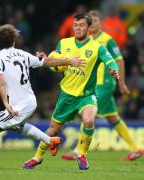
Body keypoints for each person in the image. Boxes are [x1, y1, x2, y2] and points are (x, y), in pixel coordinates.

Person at [0, 24, 84, 170]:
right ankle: (50, 141)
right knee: (18, 127)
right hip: (29, 101)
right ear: (14, 40)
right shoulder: (23, 54)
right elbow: (47, 62)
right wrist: (70, 61)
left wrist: (5, 103)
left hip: (19, 105)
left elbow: (0, 80)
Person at [23, 13, 119, 170]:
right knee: (53, 129)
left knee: (88, 120)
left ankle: (81, 155)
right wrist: (45, 59)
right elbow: (55, 64)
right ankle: (37, 157)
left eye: (81, 25)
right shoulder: (64, 43)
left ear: (88, 27)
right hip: (67, 95)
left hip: (87, 95)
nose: (78, 28)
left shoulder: (97, 48)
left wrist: (113, 70)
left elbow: (111, 61)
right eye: (76, 25)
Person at [61, 10, 143, 161]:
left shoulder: (108, 40)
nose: (93, 24)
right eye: (90, 21)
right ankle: (136, 148)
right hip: (93, 84)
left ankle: (79, 150)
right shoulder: (86, 41)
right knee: (112, 117)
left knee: (87, 113)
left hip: (104, 84)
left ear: (101, 23)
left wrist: (122, 83)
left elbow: (119, 61)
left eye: (96, 21)